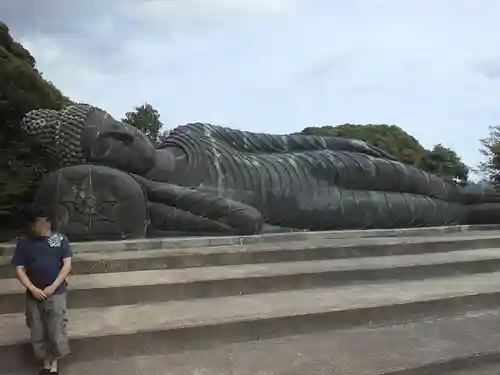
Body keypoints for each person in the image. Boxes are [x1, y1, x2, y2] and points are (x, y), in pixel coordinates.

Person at [11, 205, 72, 375]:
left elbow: (67, 265)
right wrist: (32, 288)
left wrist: (54, 285)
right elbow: (19, 269)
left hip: (56, 292)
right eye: (30, 223)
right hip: (33, 295)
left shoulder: (60, 240)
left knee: (55, 329)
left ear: (45, 221)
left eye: (35, 222)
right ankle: (46, 363)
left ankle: (54, 366)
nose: (32, 227)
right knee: (37, 329)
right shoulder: (24, 243)